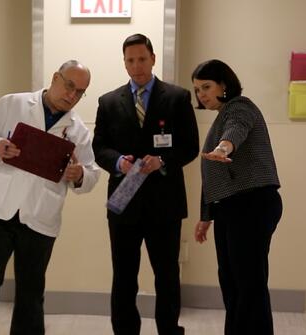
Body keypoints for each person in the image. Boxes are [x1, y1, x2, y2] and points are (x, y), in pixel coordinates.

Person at [0, 60, 100, 335]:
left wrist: (78, 175)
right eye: (69, 86)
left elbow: (92, 172)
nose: (72, 95)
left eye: (80, 92)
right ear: (55, 78)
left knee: (31, 293)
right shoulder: (12, 104)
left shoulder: (78, 131)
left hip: (40, 218)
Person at [92, 33, 199, 335]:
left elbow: (190, 146)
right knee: (124, 276)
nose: (136, 66)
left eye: (142, 59)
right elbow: (99, 147)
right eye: (130, 60)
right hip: (123, 203)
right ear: (124, 63)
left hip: (164, 203)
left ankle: (168, 329)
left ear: (153, 58)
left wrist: (162, 161)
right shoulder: (109, 102)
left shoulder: (177, 97)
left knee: (166, 275)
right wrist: (118, 162)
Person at [191, 59, 282, 335]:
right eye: (197, 90)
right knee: (233, 284)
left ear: (225, 85)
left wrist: (224, 147)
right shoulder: (221, 115)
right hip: (232, 208)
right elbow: (213, 175)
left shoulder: (240, 107)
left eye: (206, 87)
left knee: (248, 285)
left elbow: (236, 130)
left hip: (251, 204)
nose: (201, 94)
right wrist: (206, 216)